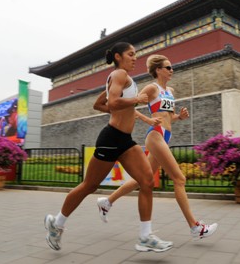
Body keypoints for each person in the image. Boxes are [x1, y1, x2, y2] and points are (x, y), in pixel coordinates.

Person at [44, 42, 172, 253]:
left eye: (135, 54)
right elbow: (113, 101)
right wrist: (135, 100)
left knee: (147, 181)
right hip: (111, 139)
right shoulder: (120, 74)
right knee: (89, 186)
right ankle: (56, 224)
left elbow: (101, 104)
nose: (135, 58)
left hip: (125, 141)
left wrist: (135, 111)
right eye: (131, 54)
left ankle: (145, 236)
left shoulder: (121, 77)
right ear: (118, 56)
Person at [94, 54, 218, 240]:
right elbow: (130, 107)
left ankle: (107, 202)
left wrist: (180, 117)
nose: (171, 70)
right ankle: (195, 227)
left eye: (171, 67)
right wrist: (148, 119)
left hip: (166, 136)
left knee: (141, 180)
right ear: (158, 70)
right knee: (179, 179)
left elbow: (170, 116)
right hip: (156, 135)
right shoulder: (152, 88)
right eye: (168, 67)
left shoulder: (171, 91)